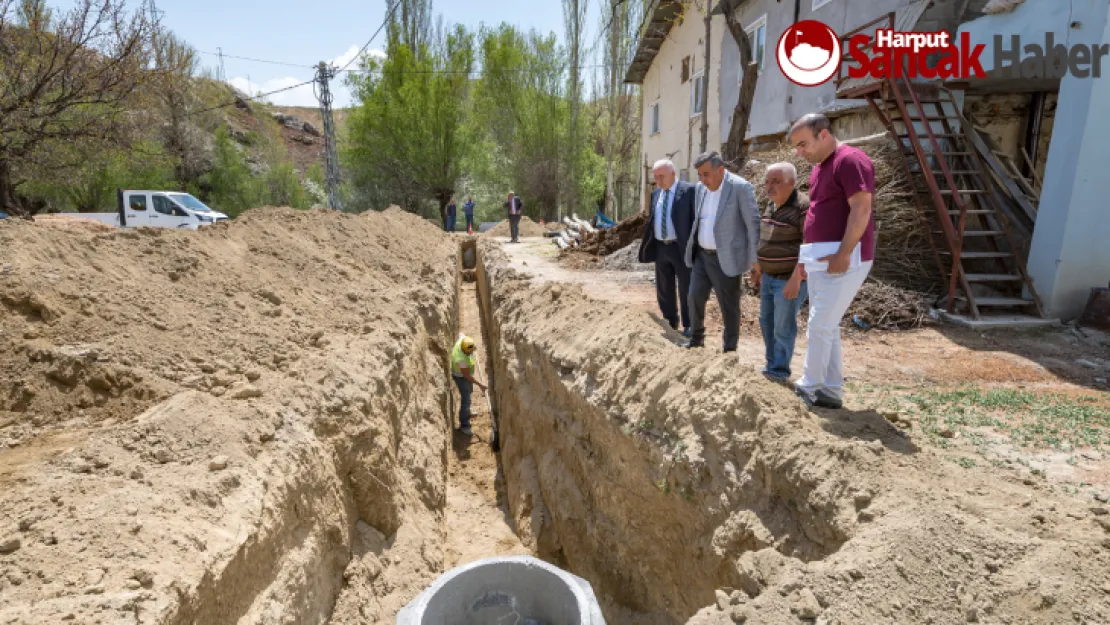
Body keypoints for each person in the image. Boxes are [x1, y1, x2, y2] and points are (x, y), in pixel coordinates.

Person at [788, 113, 876, 410]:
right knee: (827, 324)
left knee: (819, 323)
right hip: (819, 258)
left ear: (823, 134)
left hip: (844, 257)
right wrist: (805, 260)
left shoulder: (850, 160)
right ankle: (831, 390)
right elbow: (817, 214)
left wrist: (843, 253)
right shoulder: (819, 168)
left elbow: (861, 209)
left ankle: (809, 386)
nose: (799, 152)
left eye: (803, 144)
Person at [684, 152, 761, 353]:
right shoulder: (701, 188)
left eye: (706, 174)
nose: (702, 180)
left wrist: (755, 260)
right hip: (702, 255)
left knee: (729, 306)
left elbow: (752, 224)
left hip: (726, 258)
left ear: (720, 170)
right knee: (693, 296)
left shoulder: (740, 187)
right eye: (699, 175)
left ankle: (729, 349)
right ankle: (696, 340)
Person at [753, 162, 810, 382]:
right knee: (766, 321)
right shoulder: (772, 205)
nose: (769, 186)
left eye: (776, 181)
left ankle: (779, 371)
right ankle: (771, 365)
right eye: (767, 181)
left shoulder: (803, 206)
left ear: (792, 183)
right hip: (768, 277)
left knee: (783, 326)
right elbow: (765, 238)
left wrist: (797, 277)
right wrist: (759, 267)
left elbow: (809, 244)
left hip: (788, 279)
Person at [638, 159, 696, 337]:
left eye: (661, 176)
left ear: (673, 173)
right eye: (655, 177)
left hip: (680, 247)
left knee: (686, 287)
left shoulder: (689, 191)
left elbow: (695, 220)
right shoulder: (656, 194)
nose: (658, 180)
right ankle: (670, 321)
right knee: (664, 288)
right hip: (661, 247)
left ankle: (689, 325)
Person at [451, 335, 487, 436]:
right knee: (465, 399)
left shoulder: (463, 340)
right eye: (469, 352)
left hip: (466, 375)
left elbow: (461, 334)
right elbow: (466, 376)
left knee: (469, 392)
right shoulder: (461, 360)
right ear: (464, 350)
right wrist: (480, 385)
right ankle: (464, 425)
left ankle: (468, 412)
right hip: (460, 377)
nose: (471, 353)